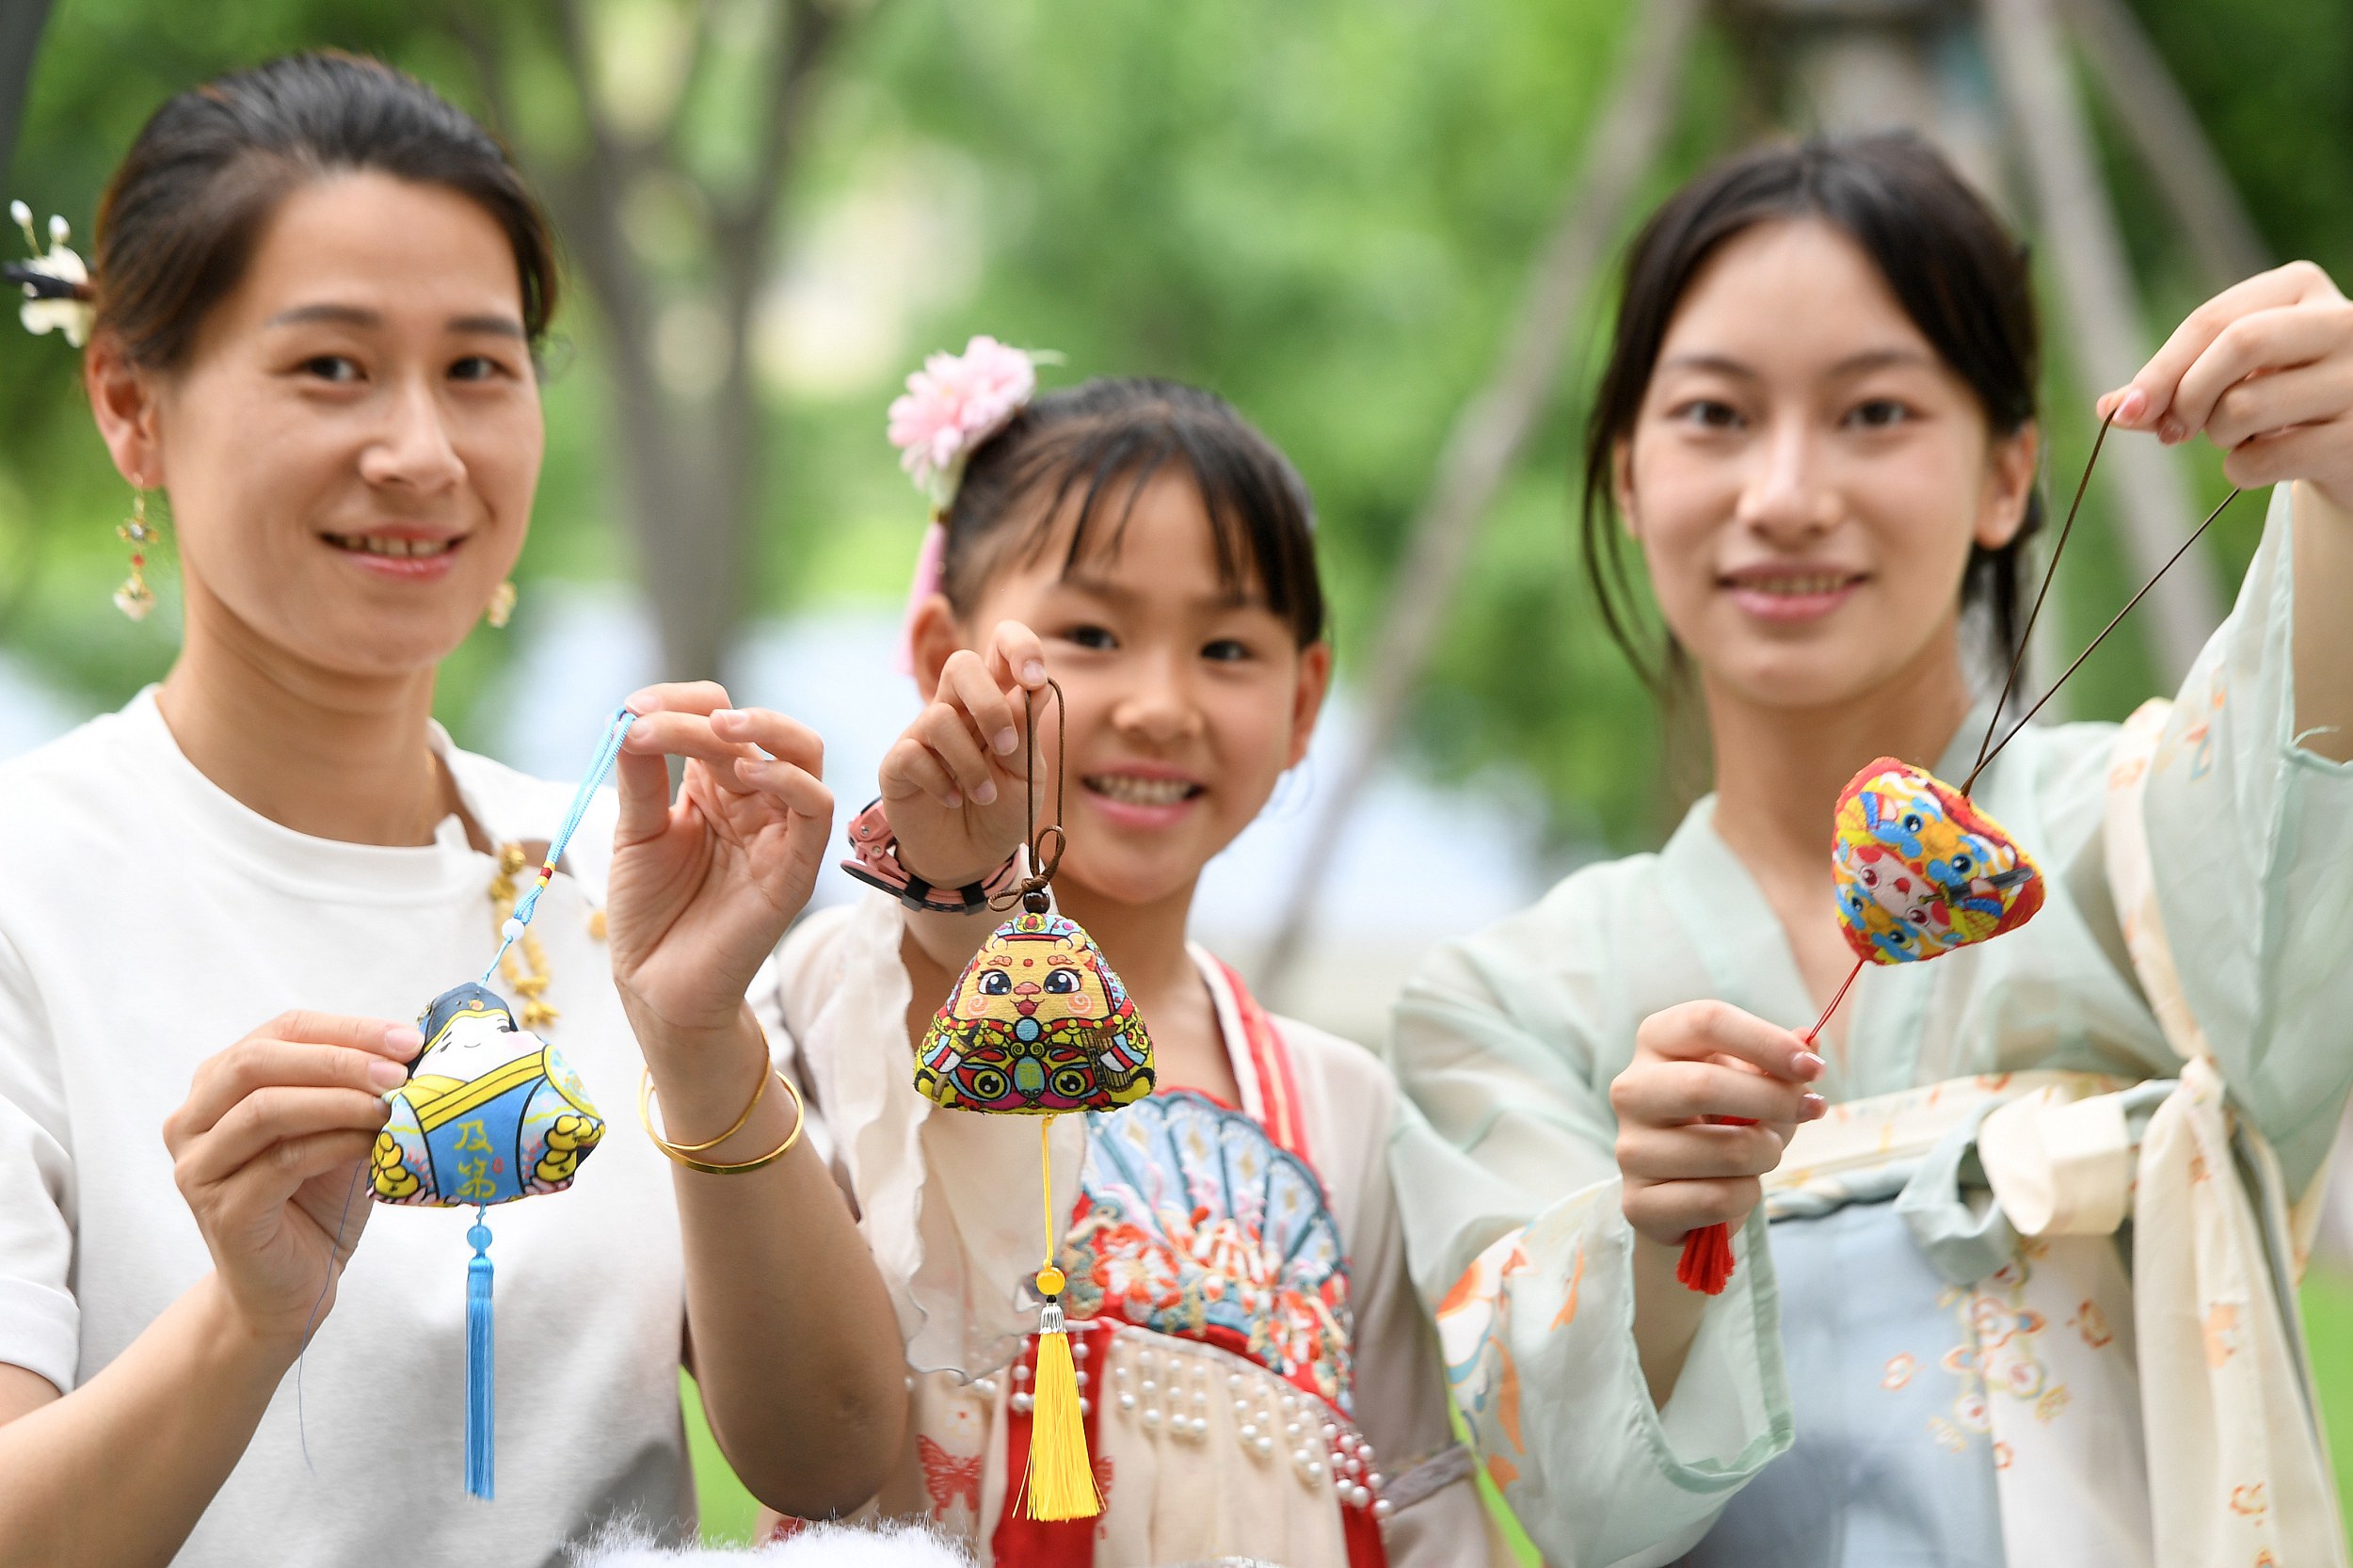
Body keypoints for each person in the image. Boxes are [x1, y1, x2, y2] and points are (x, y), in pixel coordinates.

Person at [1384, 132, 2353, 1568]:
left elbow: (2306, 810)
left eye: (1875, 411)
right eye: (1715, 414)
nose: (1785, 493)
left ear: (2010, 474)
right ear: (1629, 477)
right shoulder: (1506, 1008)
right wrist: (1656, 1235)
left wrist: (2338, 491)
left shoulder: (2141, 839)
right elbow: (1579, 1506)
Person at [0, 53, 905, 1567]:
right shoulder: (27, 887)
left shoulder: (622, 872)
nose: (422, 452)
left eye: (480, 369)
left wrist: (700, 1039)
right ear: (130, 403)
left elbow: (839, 1451)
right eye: (330, 366)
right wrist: (245, 1320)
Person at [754, 349, 1497, 1565]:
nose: (1160, 704)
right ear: (941, 650)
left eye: (1227, 649)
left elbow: (1416, 1495)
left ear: (1306, 700)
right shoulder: (845, 987)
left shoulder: (1341, 1105)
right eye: (1092, 634)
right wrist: (958, 897)